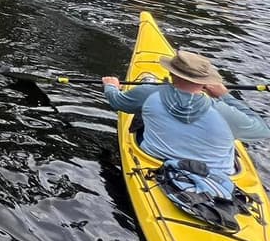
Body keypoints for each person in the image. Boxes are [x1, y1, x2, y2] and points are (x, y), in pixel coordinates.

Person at [102, 49, 270, 202]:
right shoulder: (224, 111)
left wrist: (111, 86)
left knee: (140, 116)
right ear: (205, 82)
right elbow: (263, 131)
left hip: (156, 162)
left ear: (171, 72)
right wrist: (225, 95)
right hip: (220, 177)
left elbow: (117, 102)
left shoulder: (148, 92)